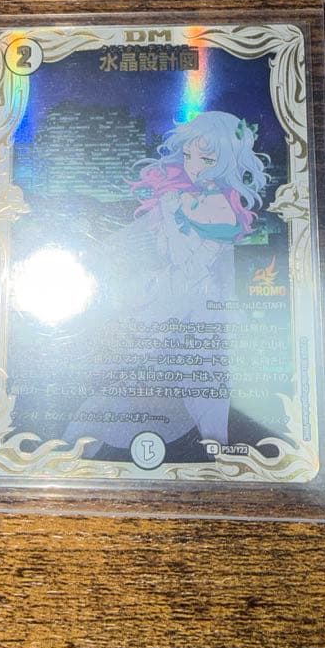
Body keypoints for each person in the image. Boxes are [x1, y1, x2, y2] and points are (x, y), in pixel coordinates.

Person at [63, 111, 270, 457]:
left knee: (207, 400)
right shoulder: (175, 198)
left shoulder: (222, 209)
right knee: (118, 393)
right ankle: (76, 449)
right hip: (167, 312)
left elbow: (197, 270)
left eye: (207, 159)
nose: (194, 166)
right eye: (189, 156)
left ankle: (220, 461)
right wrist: (93, 250)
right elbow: (133, 238)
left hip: (200, 318)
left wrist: (151, 286)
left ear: (227, 161)